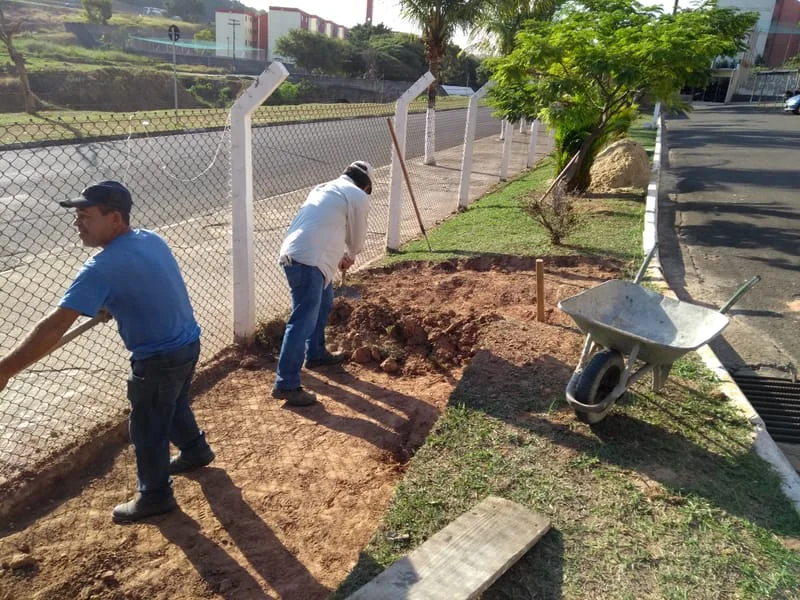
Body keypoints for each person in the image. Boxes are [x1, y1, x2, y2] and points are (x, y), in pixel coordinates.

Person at [0, 181, 215, 523]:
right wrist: (114, 302)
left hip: (157, 357)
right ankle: (196, 451)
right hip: (187, 343)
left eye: (85, 216)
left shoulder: (101, 267)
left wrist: (5, 369)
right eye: (77, 216)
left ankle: (155, 496)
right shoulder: (149, 239)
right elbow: (146, 282)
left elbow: (53, 327)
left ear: (115, 219)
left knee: (147, 427)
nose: (77, 223)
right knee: (172, 405)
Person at [272, 161, 373, 407]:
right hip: (309, 261)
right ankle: (286, 383)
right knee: (302, 319)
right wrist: (350, 256)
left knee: (325, 301)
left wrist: (340, 255)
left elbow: (325, 227)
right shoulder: (357, 195)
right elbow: (356, 240)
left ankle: (316, 353)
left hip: (298, 255)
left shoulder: (324, 188)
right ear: (366, 184)